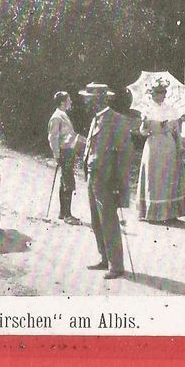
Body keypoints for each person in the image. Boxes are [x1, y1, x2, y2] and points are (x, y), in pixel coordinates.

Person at [80, 83, 135, 279]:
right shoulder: (96, 119)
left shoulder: (115, 120)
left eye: (88, 98)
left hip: (106, 178)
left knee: (109, 221)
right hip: (93, 176)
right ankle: (104, 257)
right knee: (97, 221)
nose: (85, 101)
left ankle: (116, 265)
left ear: (99, 99)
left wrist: (118, 183)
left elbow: (124, 154)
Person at [136, 80, 185, 223]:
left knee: (169, 176)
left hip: (168, 145)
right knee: (153, 177)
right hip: (153, 145)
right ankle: (152, 213)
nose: (157, 96)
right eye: (154, 94)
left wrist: (179, 146)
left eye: (159, 93)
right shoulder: (147, 110)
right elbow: (142, 132)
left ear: (164, 94)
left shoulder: (171, 109)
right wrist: (144, 124)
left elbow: (176, 131)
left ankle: (170, 214)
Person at [48, 91, 81, 224]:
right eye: (69, 100)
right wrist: (56, 154)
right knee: (68, 181)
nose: (70, 102)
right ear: (62, 102)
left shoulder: (63, 115)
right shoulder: (57, 117)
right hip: (64, 152)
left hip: (68, 151)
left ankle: (63, 213)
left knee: (65, 181)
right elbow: (52, 137)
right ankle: (67, 215)